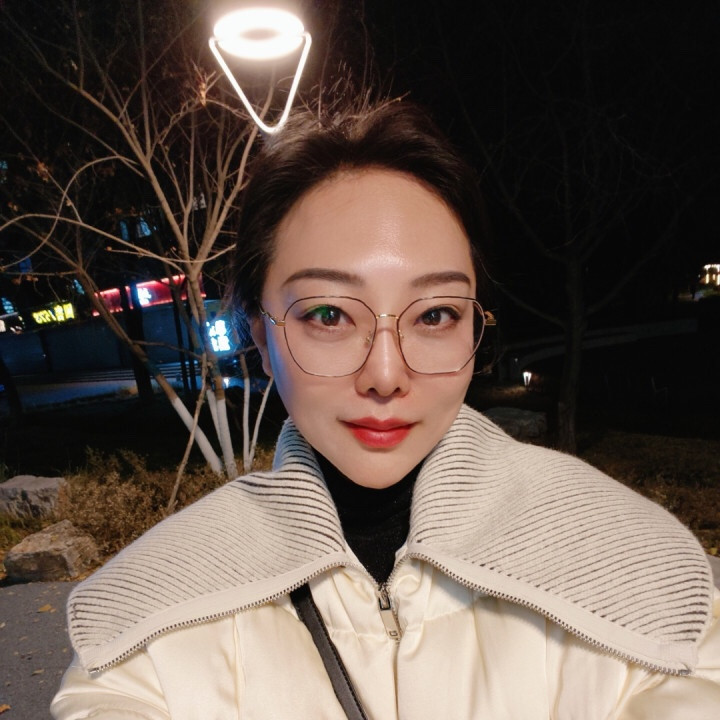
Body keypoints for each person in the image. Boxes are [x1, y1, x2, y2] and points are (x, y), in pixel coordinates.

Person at [52, 99, 720, 719]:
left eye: (434, 314)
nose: (386, 375)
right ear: (260, 337)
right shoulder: (144, 630)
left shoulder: (649, 584)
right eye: (328, 314)